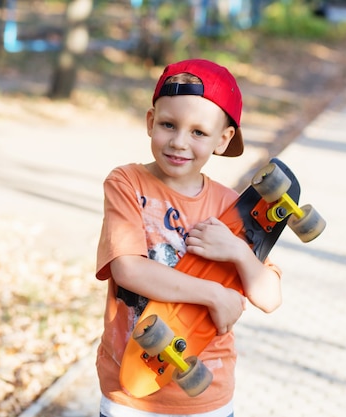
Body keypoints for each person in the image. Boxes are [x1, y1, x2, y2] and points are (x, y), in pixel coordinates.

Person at [95, 58, 283, 417]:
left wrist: (238, 253)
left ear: (222, 139)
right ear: (151, 123)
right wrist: (214, 295)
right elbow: (129, 270)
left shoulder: (233, 208)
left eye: (198, 132)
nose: (179, 142)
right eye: (169, 125)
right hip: (129, 393)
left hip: (206, 396)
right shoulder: (126, 184)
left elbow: (270, 298)